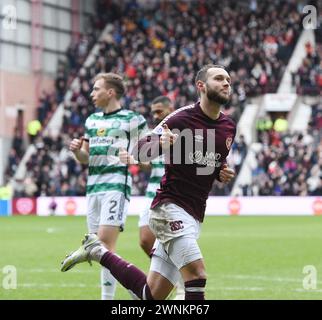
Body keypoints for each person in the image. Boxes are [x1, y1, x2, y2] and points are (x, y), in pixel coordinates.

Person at [62, 64, 236, 300]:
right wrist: (162, 145)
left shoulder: (228, 128)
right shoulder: (182, 117)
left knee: (150, 295)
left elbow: (210, 162)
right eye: (218, 78)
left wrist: (220, 172)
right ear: (201, 86)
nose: (226, 83)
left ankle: (98, 251)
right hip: (169, 208)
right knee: (197, 274)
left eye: (227, 79)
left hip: (194, 213)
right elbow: (141, 150)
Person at [68, 72, 148, 300]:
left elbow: (150, 155)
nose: (92, 94)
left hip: (116, 185)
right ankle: (137, 288)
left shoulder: (133, 119)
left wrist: (133, 159)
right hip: (93, 188)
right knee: (98, 249)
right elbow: (86, 158)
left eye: (96, 89)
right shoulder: (91, 121)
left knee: (103, 242)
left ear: (110, 92)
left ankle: (109, 299)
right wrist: (76, 151)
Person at [119, 96, 185, 299]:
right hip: (151, 194)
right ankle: (167, 279)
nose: (155, 116)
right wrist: (135, 161)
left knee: (171, 243)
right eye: (153, 112)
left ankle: (179, 285)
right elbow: (149, 165)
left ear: (170, 109)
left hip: (172, 195)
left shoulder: (182, 133)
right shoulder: (153, 135)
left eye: (159, 111)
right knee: (146, 241)